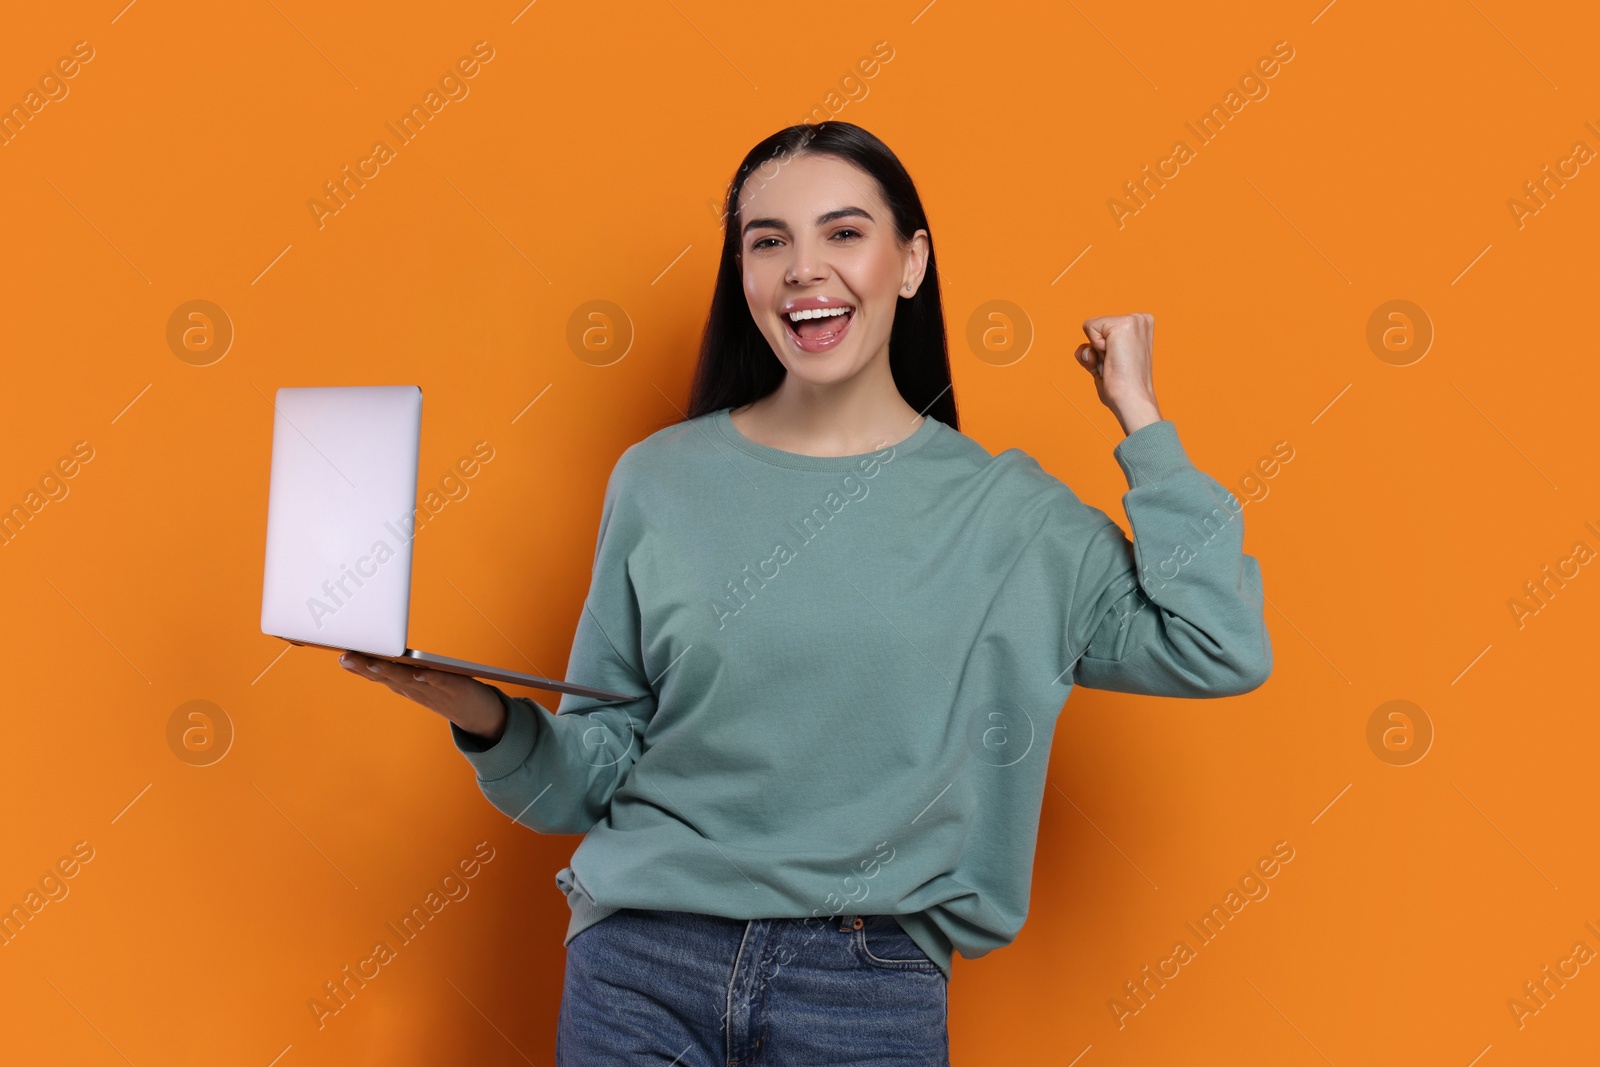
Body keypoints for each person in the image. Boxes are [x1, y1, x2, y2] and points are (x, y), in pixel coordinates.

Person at [338, 121, 1272, 1066]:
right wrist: (487, 719)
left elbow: (1219, 640)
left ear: (911, 264)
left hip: (864, 988)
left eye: (843, 233)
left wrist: (1141, 417)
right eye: (768, 240)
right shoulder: (659, 481)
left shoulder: (1009, 517)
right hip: (639, 968)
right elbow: (589, 775)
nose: (801, 268)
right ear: (741, 274)